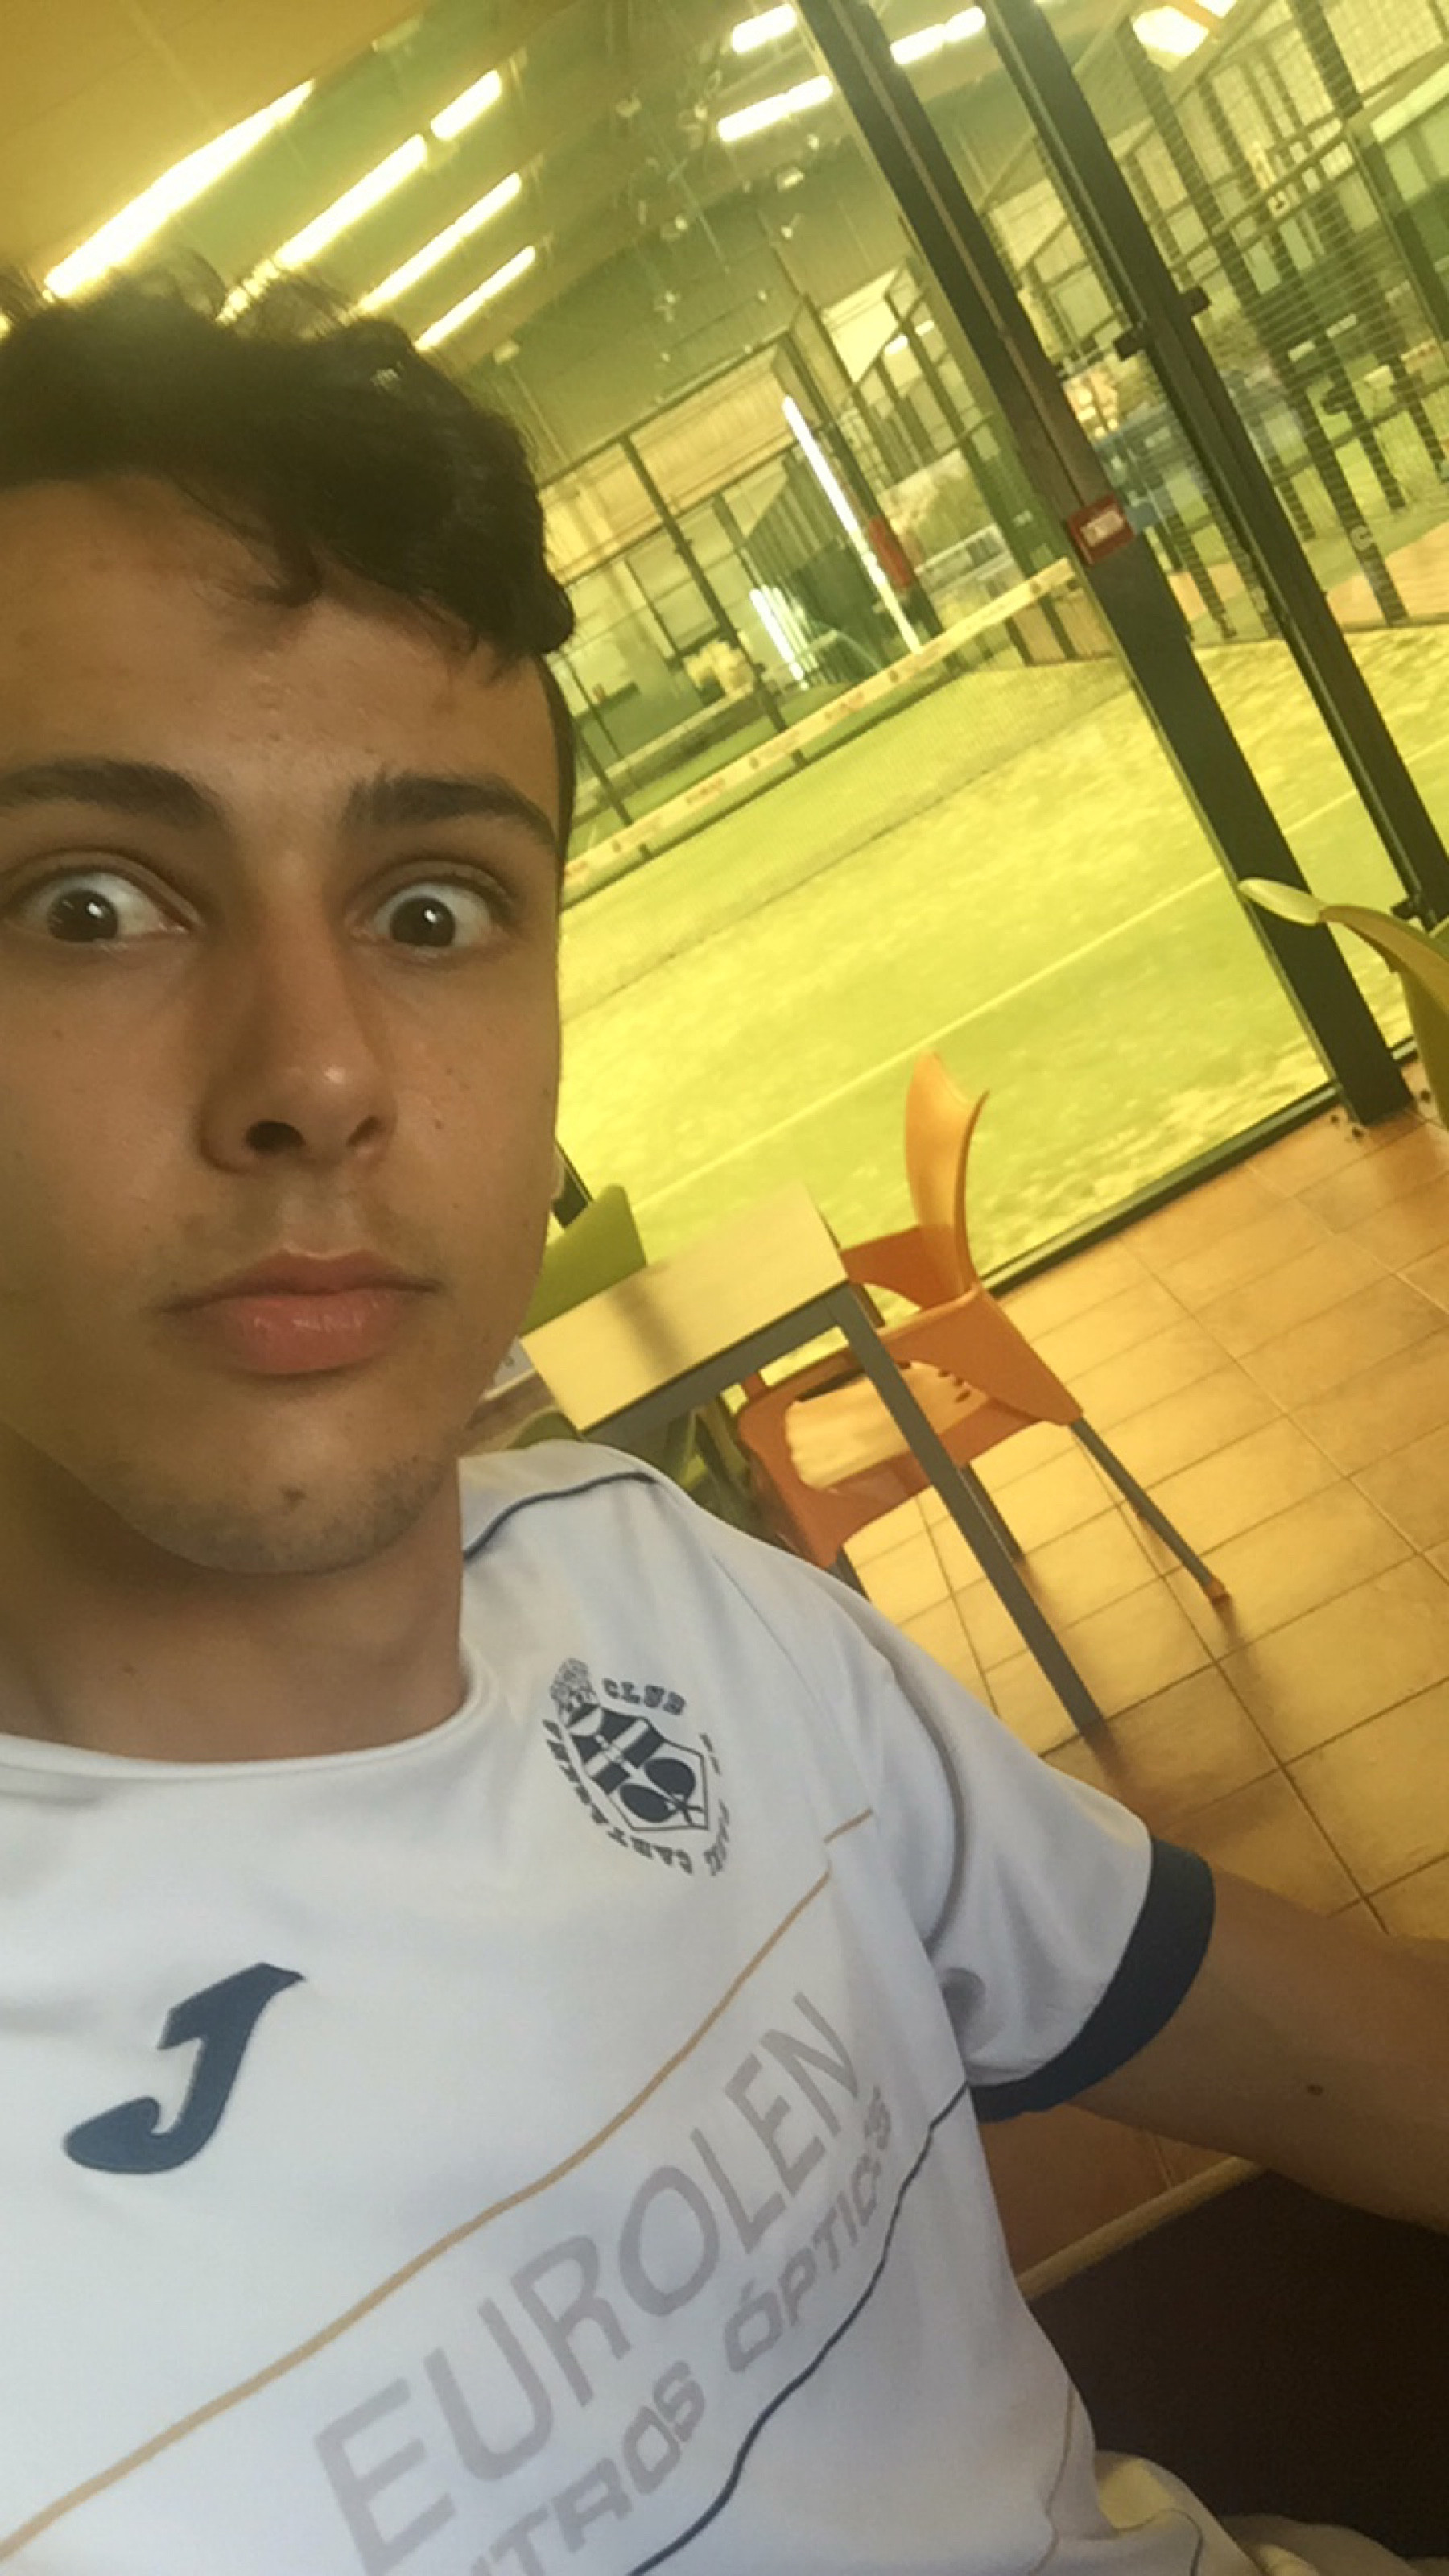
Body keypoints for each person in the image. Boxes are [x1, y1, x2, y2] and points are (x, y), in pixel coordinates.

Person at [0, 275, 1441, 2576]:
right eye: (88, 904)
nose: (322, 1071)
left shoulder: (664, 1593)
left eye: (435, 906)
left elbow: (1350, 2048)